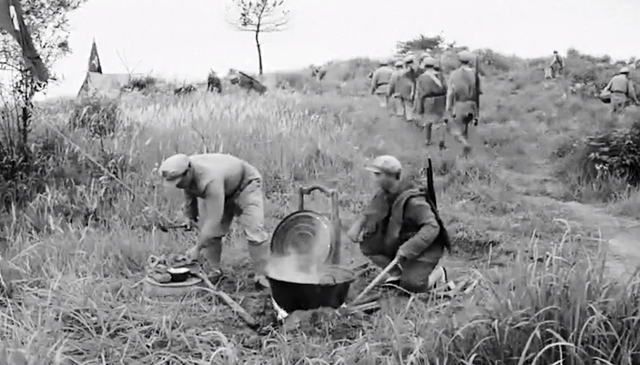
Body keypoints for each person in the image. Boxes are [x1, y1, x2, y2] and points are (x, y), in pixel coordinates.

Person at [158, 153, 271, 289]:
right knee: (210, 234)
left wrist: (197, 248)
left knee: (254, 231)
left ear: (188, 173)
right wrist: (190, 215)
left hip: (245, 186)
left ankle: (262, 277)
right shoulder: (187, 174)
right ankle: (215, 271)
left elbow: (213, 221)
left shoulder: (209, 180)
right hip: (223, 189)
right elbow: (189, 192)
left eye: (179, 182)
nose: (178, 186)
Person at [346, 155, 453, 293]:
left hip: (425, 248)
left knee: (412, 285)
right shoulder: (384, 194)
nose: (374, 178)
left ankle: (438, 273)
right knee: (368, 244)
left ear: (391, 176)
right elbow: (372, 211)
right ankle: (397, 273)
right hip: (399, 240)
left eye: (378, 174)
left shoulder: (414, 201)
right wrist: (358, 225)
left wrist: (408, 248)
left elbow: (432, 227)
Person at [444, 50, 481, 154]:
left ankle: (465, 145)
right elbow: (479, 92)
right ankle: (465, 155)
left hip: (460, 104)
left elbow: (450, 92)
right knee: (466, 128)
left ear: (459, 61)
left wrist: (448, 107)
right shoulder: (475, 74)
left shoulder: (454, 74)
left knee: (454, 129)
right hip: (473, 105)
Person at [414, 57, 448, 146]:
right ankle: (442, 140)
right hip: (441, 99)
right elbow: (446, 88)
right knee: (441, 121)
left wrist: (420, 108)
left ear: (424, 66)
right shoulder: (440, 76)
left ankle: (428, 140)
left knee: (428, 121)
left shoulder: (421, 77)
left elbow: (420, 93)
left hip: (428, 101)